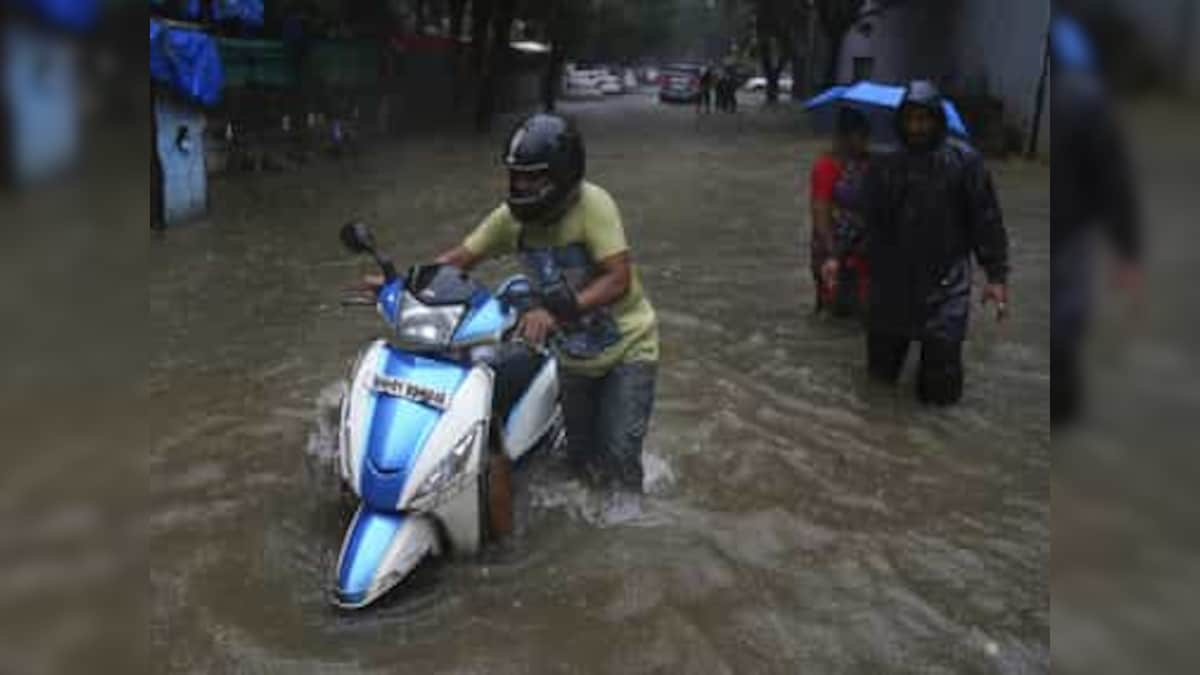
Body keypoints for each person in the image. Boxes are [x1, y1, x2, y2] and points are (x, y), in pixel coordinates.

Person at [382, 113, 660, 534]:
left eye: (532, 179)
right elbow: (458, 260)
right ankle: (584, 540)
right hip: (574, 356)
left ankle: (626, 543)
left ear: (562, 176)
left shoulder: (593, 205)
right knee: (580, 464)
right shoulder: (510, 221)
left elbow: (617, 278)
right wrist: (398, 285)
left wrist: (555, 314)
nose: (521, 187)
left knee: (619, 462)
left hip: (629, 349)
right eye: (516, 177)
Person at [862, 81, 1010, 406]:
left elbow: (987, 220)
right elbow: (869, 223)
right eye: (910, 119)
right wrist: (841, 261)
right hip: (892, 284)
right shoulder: (886, 165)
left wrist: (996, 276)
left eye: (924, 119)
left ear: (937, 120)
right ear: (900, 121)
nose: (917, 127)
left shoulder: (965, 162)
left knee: (940, 389)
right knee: (878, 382)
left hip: (946, 286)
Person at [1050, 13, 1142, 426]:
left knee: (1064, 331)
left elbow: (1112, 177)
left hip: (1070, 234)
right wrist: (1128, 251)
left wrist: (1127, 252)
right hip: (1070, 233)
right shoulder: (1086, 96)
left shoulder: (1082, 98)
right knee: (1064, 331)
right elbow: (1114, 178)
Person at [808, 107, 872, 316]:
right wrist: (832, 253)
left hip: (863, 248)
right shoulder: (826, 167)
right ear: (844, 136)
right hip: (833, 248)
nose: (864, 142)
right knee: (835, 309)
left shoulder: (868, 164)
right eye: (860, 136)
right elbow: (820, 210)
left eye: (866, 137)